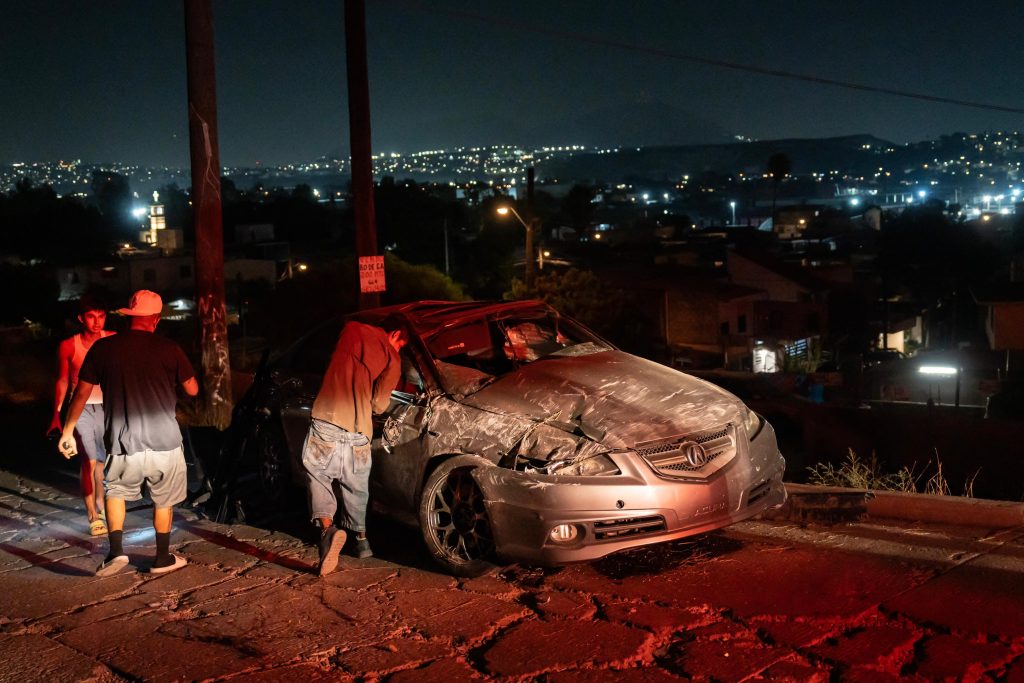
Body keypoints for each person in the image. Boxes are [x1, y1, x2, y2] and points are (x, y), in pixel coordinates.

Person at [58, 290, 199, 576]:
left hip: (123, 440)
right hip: (164, 440)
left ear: (129, 316)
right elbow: (193, 389)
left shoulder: (104, 348)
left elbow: (81, 393)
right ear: (156, 320)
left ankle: (116, 553)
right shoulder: (169, 348)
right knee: (163, 499)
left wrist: (68, 430)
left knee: (116, 493)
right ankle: (161, 558)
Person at [303, 319, 405, 576]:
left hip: (327, 417)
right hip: (359, 429)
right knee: (356, 485)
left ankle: (328, 530)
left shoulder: (350, 329)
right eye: (401, 343)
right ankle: (361, 541)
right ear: (396, 334)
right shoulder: (393, 360)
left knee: (318, 473)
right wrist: (392, 356)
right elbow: (379, 405)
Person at [48, 293, 115, 536]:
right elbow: (63, 379)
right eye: (91, 317)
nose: (97, 322)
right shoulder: (69, 345)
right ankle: (93, 515)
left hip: (109, 407)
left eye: (101, 316)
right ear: (81, 318)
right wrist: (56, 414)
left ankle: (101, 501)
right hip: (81, 408)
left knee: (103, 462)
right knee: (88, 459)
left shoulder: (113, 340)